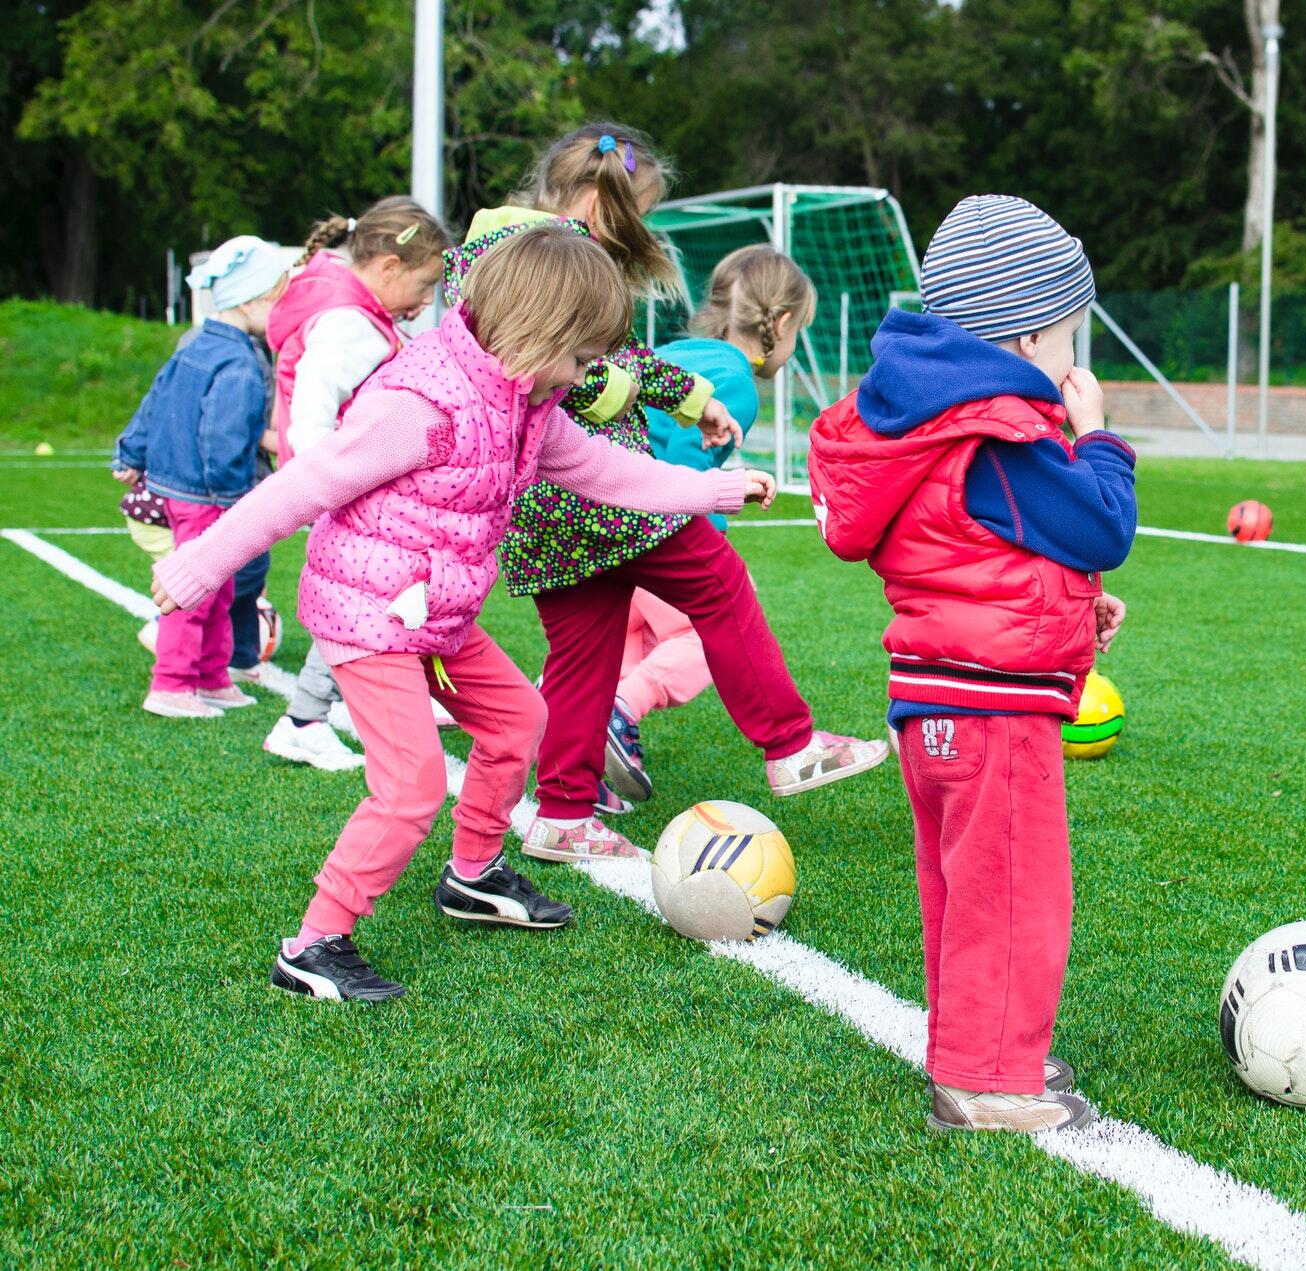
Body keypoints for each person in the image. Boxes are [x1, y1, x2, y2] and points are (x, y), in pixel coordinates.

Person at [148, 224, 776, 1003]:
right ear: (538, 333)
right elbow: (304, 485)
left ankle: (473, 875)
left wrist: (715, 489)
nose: (587, 377)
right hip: (369, 615)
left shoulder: (527, 400)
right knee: (410, 785)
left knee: (520, 719)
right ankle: (312, 944)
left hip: (435, 616)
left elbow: (605, 471)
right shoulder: (421, 402)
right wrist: (200, 564)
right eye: (582, 359)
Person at [442, 123, 885, 865]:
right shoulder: (539, 257)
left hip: (542, 508)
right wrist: (635, 401)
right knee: (719, 582)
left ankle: (562, 812)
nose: (636, 233)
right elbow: (568, 372)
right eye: (634, 214)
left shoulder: (499, 248)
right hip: (598, 490)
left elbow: (618, 355)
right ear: (593, 199)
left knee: (586, 651)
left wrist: (692, 399)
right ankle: (790, 743)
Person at [809, 195, 1138, 1133]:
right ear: (1029, 332)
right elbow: (1102, 523)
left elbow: (974, 552)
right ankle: (987, 1079)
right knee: (1013, 893)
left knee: (964, 891)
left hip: (937, 699)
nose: (1076, 359)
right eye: (1072, 334)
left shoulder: (929, 421)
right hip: (992, 712)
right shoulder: (999, 431)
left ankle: (979, 1044)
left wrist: (1075, 609)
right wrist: (1099, 435)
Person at [601, 245, 818, 807]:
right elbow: (683, 464)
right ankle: (621, 712)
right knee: (703, 632)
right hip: (647, 525)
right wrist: (706, 544)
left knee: (622, 638)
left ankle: (578, 743)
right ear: (783, 323)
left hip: (597, 519)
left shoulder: (677, 352)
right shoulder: (737, 384)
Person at [259, 196, 455, 772]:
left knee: (375, 598)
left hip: (347, 487)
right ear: (389, 269)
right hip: (347, 490)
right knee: (367, 602)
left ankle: (322, 711)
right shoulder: (350, 325)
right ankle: (304, 719)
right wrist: (332, 484)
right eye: (424, 286)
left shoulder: (353, 310)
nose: (425, 305)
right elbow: (313, 415)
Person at [114, 236, 289, 719]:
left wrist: (131, 449)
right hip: (208, 494)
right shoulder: (239, 362)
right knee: (195, 588)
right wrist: (235, 499)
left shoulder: (198, 342)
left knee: (221, 587)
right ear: (253, 301)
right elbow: (223, 435)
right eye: (279, 298)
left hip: (185, 486)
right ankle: (171, 683)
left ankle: (212, 676)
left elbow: (155, 397)